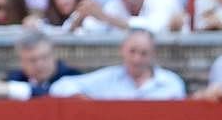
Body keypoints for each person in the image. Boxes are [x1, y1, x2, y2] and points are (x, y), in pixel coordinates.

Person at [50, 28, 187, 99]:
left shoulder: (171, 83)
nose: (136, 59)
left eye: (143, 53)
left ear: (153, 54)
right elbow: (60, 86)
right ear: (122, 50)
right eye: (132, 51)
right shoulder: (108, 78)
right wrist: (84, 99)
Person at [7, 29, 82, 95]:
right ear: (22, 62)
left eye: (45, 57)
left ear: (54, 55)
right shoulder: (15, 80)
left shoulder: (73, 77)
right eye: (32, 60)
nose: (39, 64)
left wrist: (18, 91)